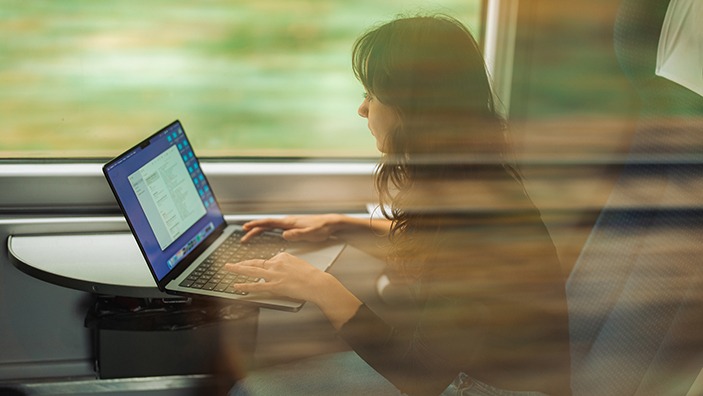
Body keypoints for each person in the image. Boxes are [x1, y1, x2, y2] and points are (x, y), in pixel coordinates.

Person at [227, 14, 572, 396]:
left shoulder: (473, 217)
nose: (363, 109)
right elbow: (439, 252)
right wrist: (341, 225)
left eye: (371, 96)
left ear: (412, 108)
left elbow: (418, 376)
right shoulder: (469, 180)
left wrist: (319, 286)